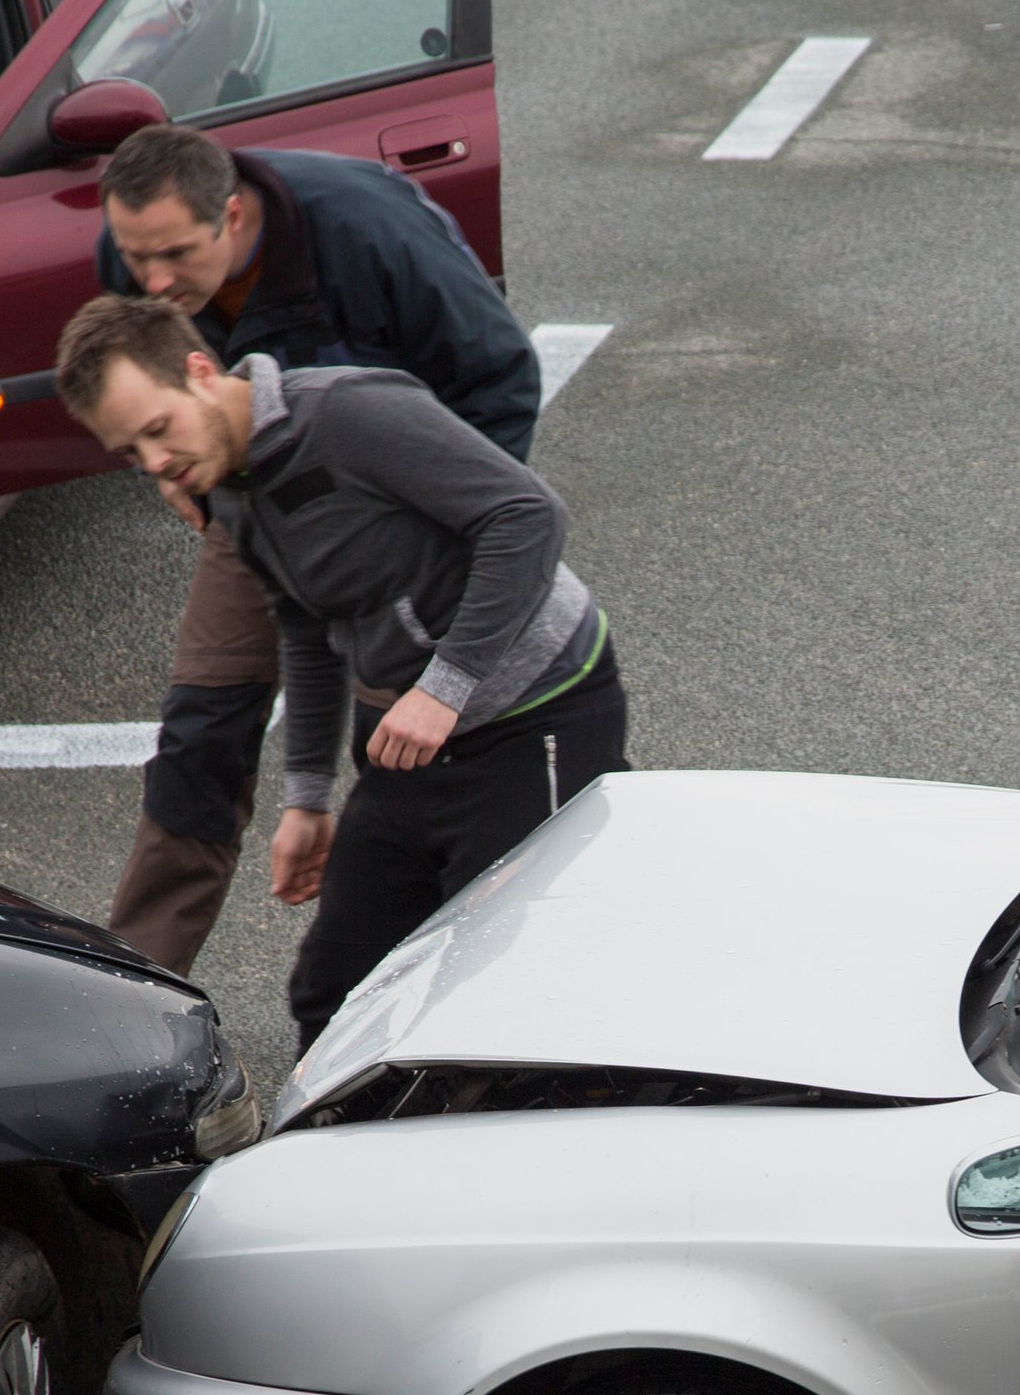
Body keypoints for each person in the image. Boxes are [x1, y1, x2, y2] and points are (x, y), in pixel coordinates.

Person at [53, 295, 626, 1050]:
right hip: (411, 735)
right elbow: (306, 623)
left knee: (493, 981)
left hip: (536, 710)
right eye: (131, 452)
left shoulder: (350, 414)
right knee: (333, 986)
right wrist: (309, 798)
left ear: (199, 372)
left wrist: (444, 687)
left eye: (157, 428)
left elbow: (528, 516)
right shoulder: (229, 480)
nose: (156, 464)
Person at [86, 122, 543, 977]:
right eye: (133, 256)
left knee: (406, 757)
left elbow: (502, 380)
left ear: (231, 215)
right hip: (254, 510)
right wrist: (179, 477)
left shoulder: (371, 233)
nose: (153, 281)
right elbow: (135, 377)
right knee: (199, 738)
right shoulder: (142, 256)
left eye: (176, 255)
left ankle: (451, 991)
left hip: (397, 513)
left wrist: (439, 545)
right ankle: (131, 998)